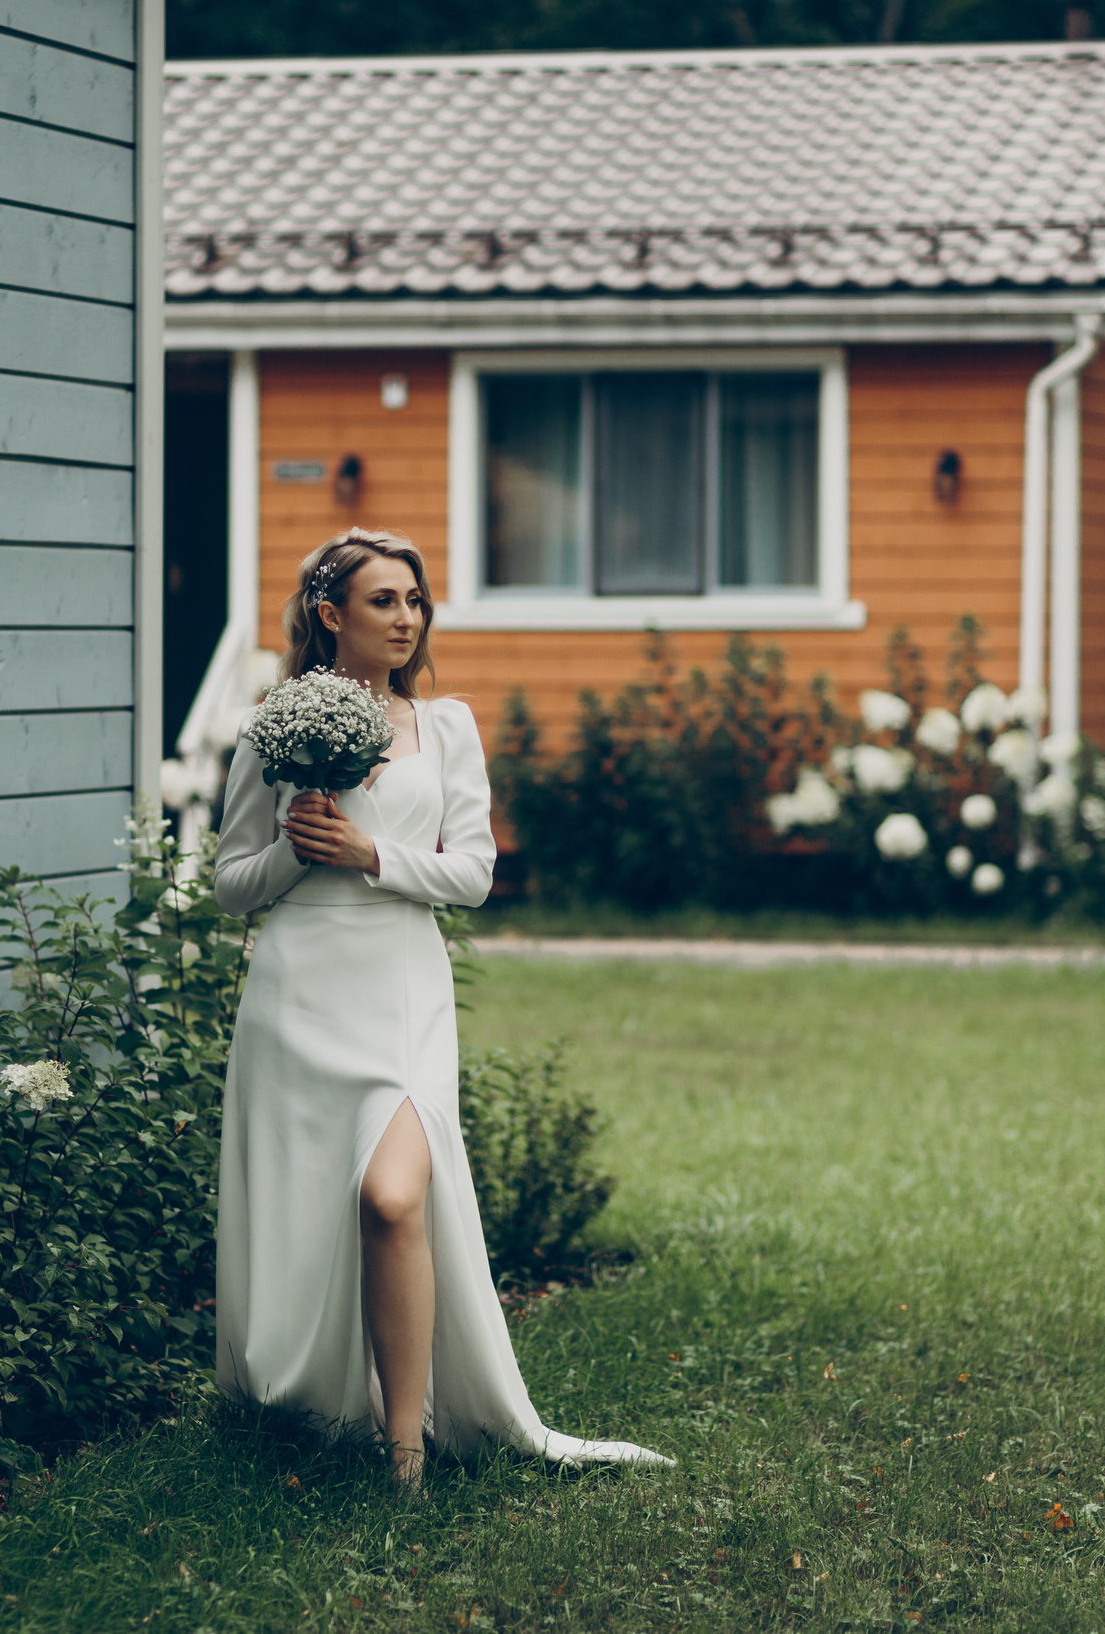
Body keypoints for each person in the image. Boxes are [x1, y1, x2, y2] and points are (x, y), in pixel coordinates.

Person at [212, 526, 672, 1492]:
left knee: (392, 1197)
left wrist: (372, 855)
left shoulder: (447, 726)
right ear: (331, 614)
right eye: (386, 601)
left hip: (404, 990)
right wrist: (302, 851)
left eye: (416, 601)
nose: (407, 619)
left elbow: (473, 873)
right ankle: (320, 1409)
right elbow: (229, 884)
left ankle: (407, 1454)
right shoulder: (271, 729)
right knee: (318, 1209)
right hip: (298, 995)